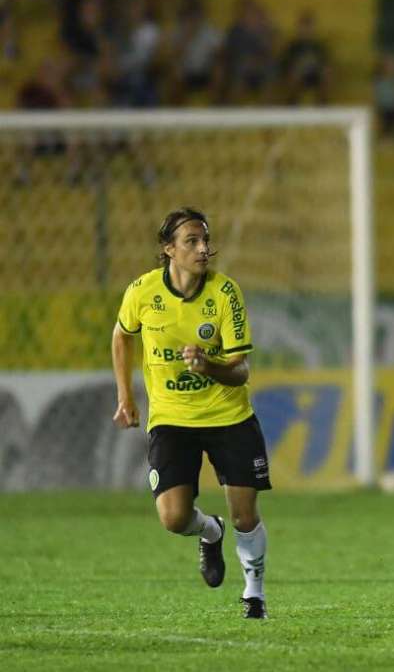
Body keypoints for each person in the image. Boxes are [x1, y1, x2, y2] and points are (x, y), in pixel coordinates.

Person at [111, 208, 272, 619]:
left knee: (245, 513)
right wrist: (125, 397)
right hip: (171, 419)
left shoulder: (225, 293)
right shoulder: (142, 292)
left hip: (228, 416)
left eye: (205, 240)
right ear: (169, 249)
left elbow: (240, 371)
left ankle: (254, 593)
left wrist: (209, 367)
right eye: (192, 242)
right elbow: (121, 335)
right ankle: (209, 531)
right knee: (173, 517)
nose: (203, 249)